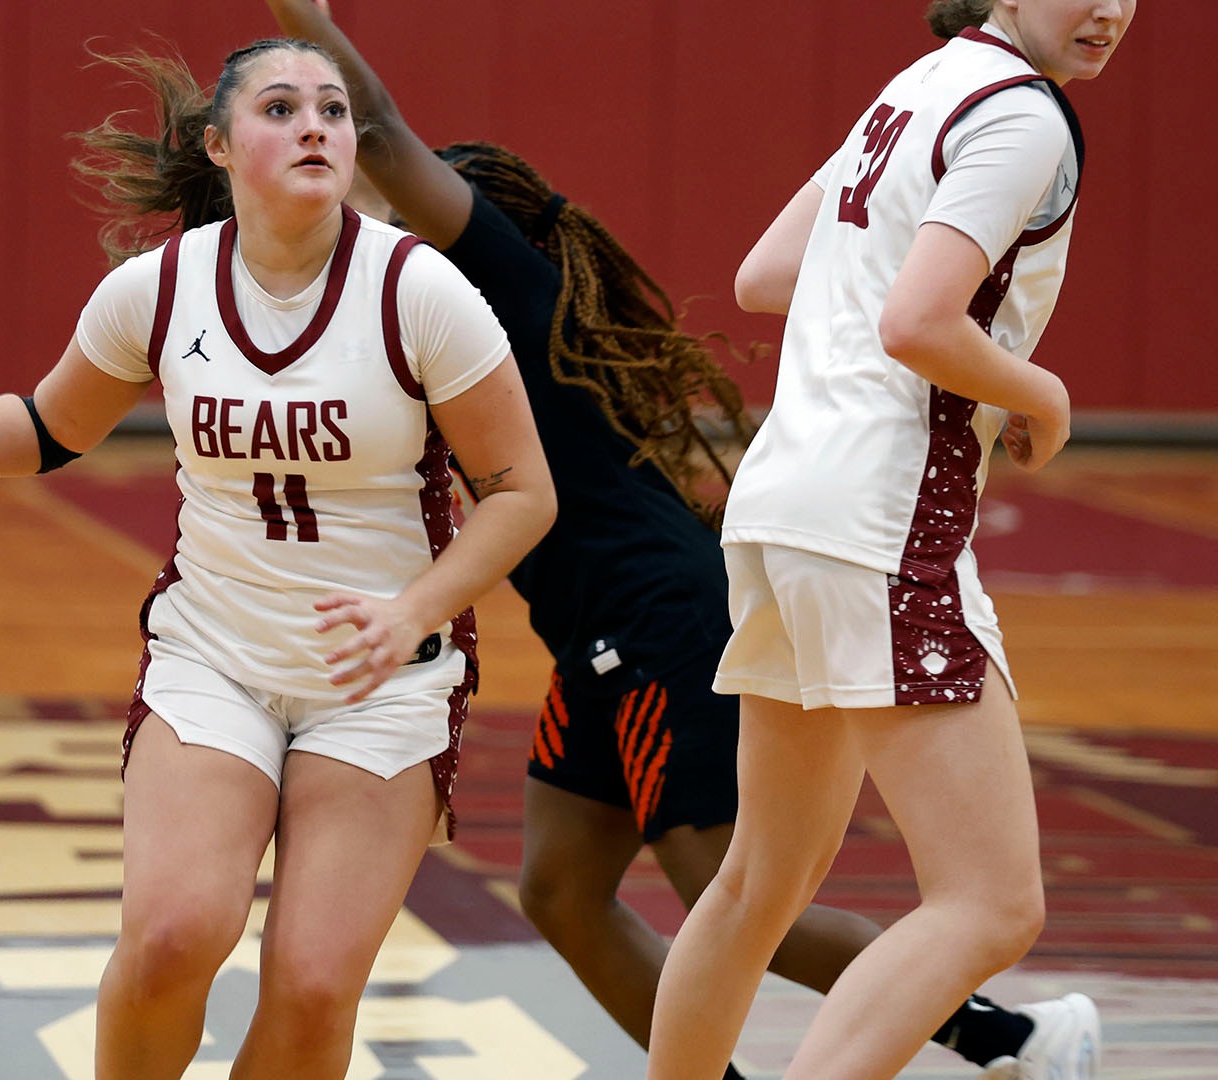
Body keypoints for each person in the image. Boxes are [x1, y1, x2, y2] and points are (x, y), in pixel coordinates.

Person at [265, 1, 1102, 1078]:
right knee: (616, 885)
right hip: (665, 595)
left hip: (673, 601)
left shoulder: (508, 281)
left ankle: (1005, 1034)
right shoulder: (430, 326)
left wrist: (305, 22)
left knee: (748, 884)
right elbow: (805, 288)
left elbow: (377, 129)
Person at [0, 36, 555, 1080]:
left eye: (331, 108)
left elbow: (523, 494)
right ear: (219, 144)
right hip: (215, 657)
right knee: (172, 939)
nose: (314, 125)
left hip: (379, 680)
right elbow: (49, 430)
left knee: (316, 983)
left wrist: (415, 610)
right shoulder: (158, 289)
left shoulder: (420, 293)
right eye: (280, 108)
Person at [642, 0, 1136, 1077]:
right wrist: (1042, 395)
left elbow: (767, 274)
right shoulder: (1023, 116)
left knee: (758, 880)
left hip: (783, 503)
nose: (1109, 9)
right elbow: (917, 322)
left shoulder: (919, 86)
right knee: (992, 904)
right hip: (879, 518)